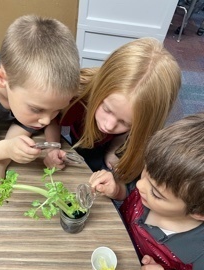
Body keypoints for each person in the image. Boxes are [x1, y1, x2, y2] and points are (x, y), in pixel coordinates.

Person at [89, 113, 204, 270]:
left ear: (198, 213)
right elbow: (131, 190)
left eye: (156, 194)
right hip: (119, 235)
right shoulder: (157, 183)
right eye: (145, 173)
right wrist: (117, 190)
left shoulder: (199, 252)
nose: (141, 186)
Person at [0, 14, 80, 191]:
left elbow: (32, 123)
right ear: (1, 78)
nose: (46, 121)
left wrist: (51, 148)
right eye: (37, 109)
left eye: (57, 110)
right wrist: (6, 151)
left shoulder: (34, 96)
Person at [43, 37, 181, 181]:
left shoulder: (142, 121)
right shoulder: (75, 93)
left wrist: (112, 151)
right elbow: (52, 119)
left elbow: (129, 135)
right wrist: (52, 148)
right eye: (107, 109)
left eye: (126, 122)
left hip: (105, 144)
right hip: (79, 136)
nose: (108, 126)